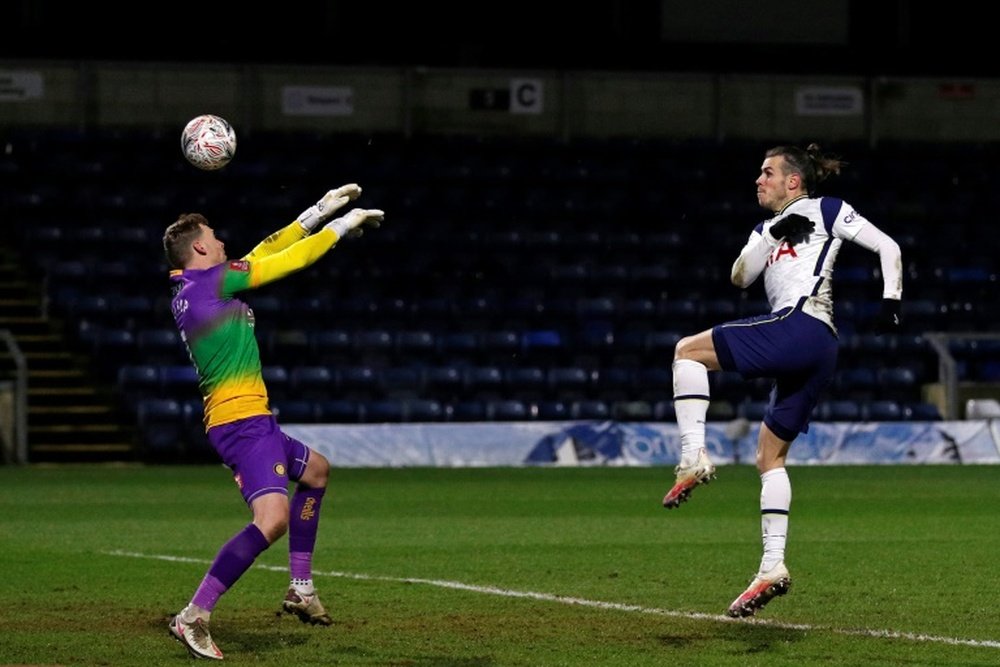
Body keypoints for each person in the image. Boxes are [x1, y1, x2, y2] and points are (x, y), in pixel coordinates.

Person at [661, 143, 902, 618]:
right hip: (818, 351)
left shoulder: (827, 209)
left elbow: (888, 246)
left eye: (767, 172)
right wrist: (772, 233)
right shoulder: (763, 228)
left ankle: (692, 457)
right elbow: (740, 277)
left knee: (686, 352)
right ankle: (772, 566)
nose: (758, 180)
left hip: (802, 325)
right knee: (769, 457)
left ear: (794, 180)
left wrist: (890, 300)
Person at [162, 184, 384, 660]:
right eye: (215, 237)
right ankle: (193, 616)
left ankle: (300, 588)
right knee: (273, 519)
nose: (223, 243)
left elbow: (264, 251)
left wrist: (315, 213)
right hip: (242, 422)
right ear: (200, 246)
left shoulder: (196, 285)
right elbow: (286, 262)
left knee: (317, 471)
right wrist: (340, 228)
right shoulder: (212, 282)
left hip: (247, 419)